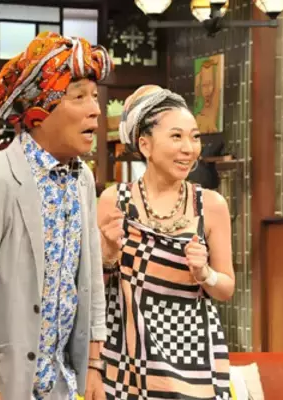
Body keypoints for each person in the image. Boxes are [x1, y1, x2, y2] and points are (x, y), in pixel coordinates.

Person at [0, 32, 114, 400]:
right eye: (78, 96)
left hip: (59, 386)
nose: (95, 109)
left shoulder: (82, 180)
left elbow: (91, 279)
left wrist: (94, 366)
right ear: (39, 111)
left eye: (95, 96)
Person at [98, 85, 235, 399]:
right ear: (145, 144)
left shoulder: (211, 205)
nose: (189, 148)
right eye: (176, 136)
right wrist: (109, 252)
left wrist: (205, 274)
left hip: (194, 361)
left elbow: (226, 288)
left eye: (194, 137)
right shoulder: (113, 201)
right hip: (126, 358)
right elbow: (92, 287)